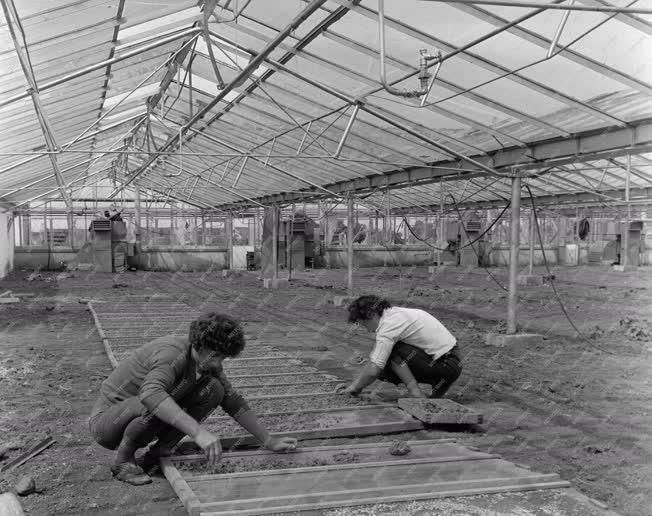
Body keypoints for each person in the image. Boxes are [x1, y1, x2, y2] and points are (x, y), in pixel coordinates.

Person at [89, 312, 297, 485]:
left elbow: (233, 401)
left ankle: (157, 455)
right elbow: (151, 394)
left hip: (136, 419)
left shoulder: (207, 364)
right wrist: (198, 433)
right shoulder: (171, 354)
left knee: (215, 389)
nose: (218, 363)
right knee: (154, 399)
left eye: (223, 358)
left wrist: (269, 440)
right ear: (199, 345)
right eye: (216, 356)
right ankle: (123, 461)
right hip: (107, 425)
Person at [338, 295, 461, 399]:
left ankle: (416, 393)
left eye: (364, 324)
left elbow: (374, 369)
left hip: (446, 365)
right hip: (450, 362)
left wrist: (353, 388)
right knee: (381, 357)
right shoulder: (395, 314)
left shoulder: (388, 326)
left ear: (371, 314)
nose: (367, 330)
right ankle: (437, 393)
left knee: (387, 358)